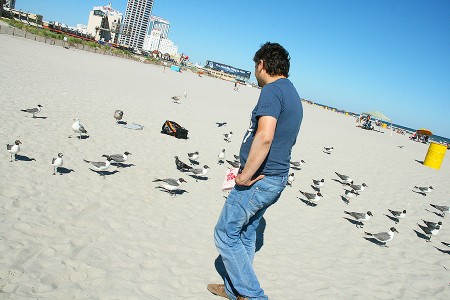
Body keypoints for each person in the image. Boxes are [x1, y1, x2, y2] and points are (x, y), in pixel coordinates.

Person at [208, 42, 303, 300]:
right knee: (247, 234)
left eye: (255, 66)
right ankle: (234, 290)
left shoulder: (272, 91)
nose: (255, 71)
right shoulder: (292, 93)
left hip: (259, 179)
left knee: (225, 234)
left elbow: (265, 137)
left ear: (262, 64)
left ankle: (253, 295)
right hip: (277, 178)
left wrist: (245, 175)